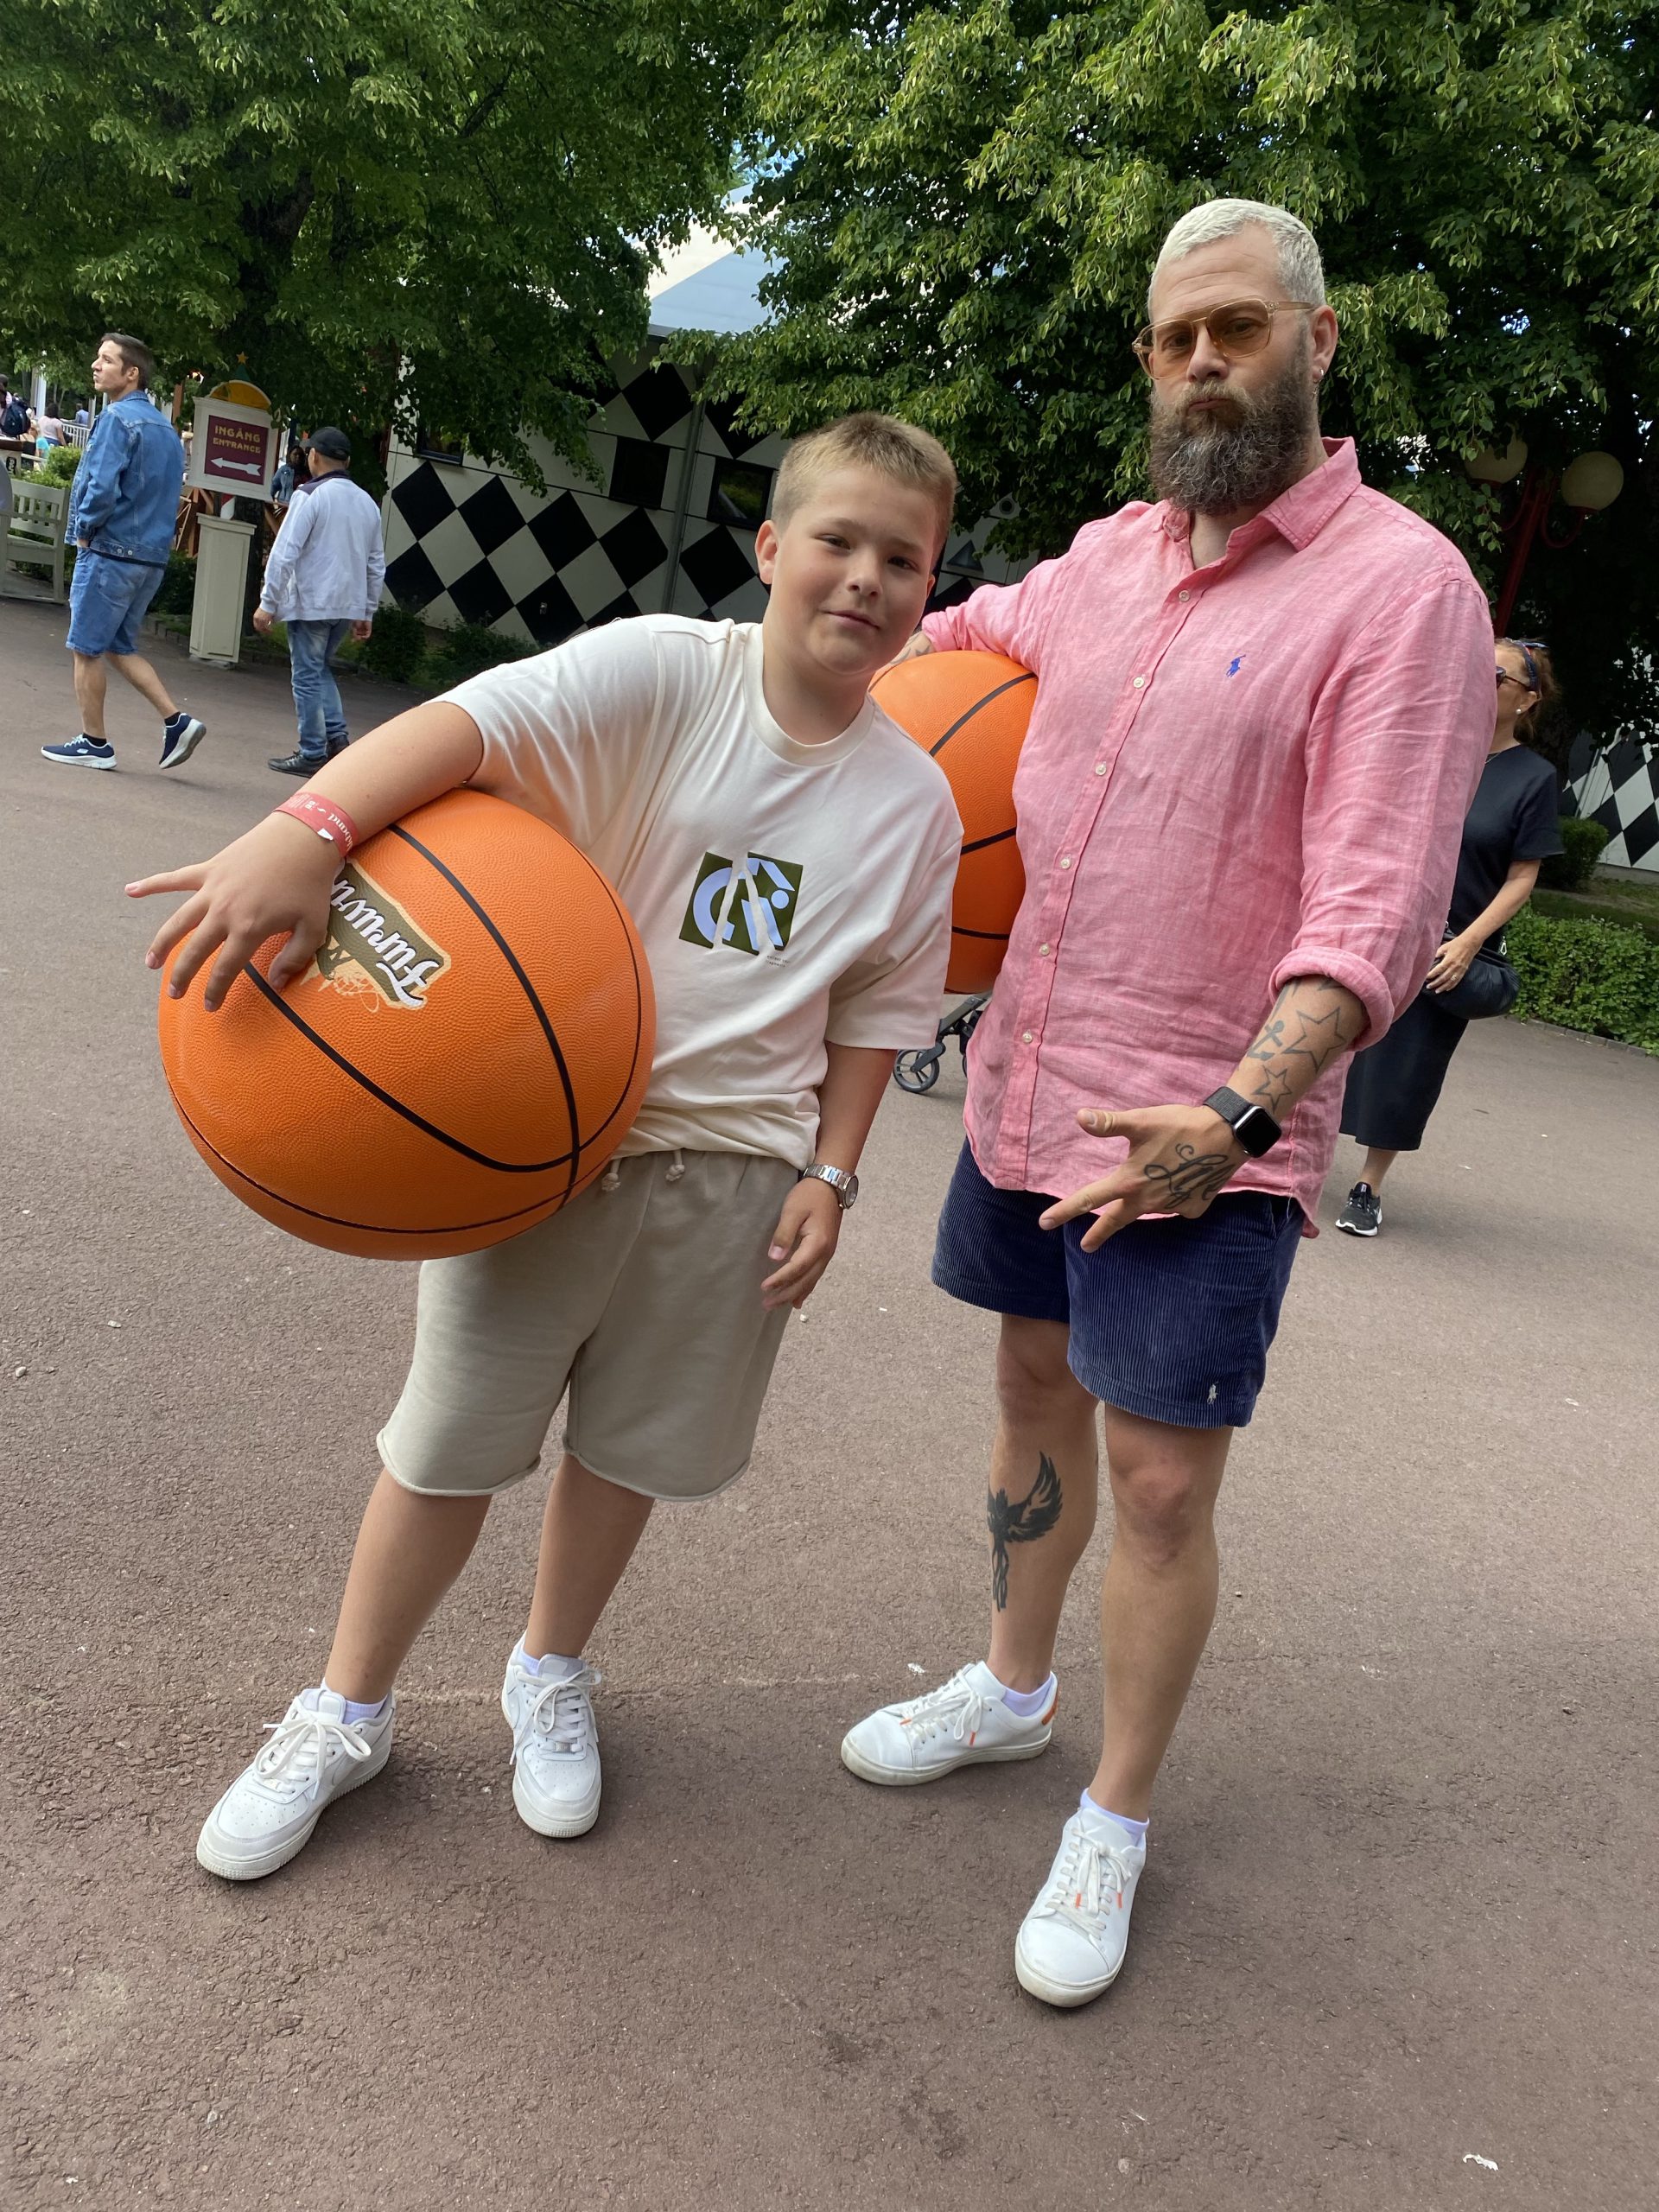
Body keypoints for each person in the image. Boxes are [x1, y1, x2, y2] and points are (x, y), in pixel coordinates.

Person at [127, 411, 963, 1884]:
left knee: (625, 1454)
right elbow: (469, 730)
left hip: (737, 1177)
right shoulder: (666, 669)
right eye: (837, 541)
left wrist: (832, 1175)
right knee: (446, 1449)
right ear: (772, 546)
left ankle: (549, 1668)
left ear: (930, 585)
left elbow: (876, 1013)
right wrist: (308, 831)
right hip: (549, 1147)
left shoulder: (917, 802)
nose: (865, 578)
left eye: (902, 559)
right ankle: (346, 1711)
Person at [837, 199, 1496, 2009]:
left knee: (1159, 1484)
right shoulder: (1101, 562)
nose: (1203, 361)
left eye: (1238, 328)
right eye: (1173, 335)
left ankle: (1114, 1809)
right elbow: (937, 646)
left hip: (1205, 1132)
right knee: (1027, 1389)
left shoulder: (1405, 591)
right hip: (1027, 1083)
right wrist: (793, 658)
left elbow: (1378, 903)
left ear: (1318, 340)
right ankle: (1011, 1685)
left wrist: (1241, 1112)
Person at [1334, 639, 1564, 1236]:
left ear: (1527, 699)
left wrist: (1467, 943)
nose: (1480, 680)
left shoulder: (1533, 778)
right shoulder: (1430, 748)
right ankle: (1275, 1156)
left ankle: (1368, 1185)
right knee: (1325, 1037)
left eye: (1497, 675)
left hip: (1447, 944)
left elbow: (1523, 877)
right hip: (1382, 922)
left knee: (1407, 1067)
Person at [40, 333, 206, 772]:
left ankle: (95, 743)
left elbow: (100, 487)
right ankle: (177, 721)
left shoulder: (116, 419)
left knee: (85, 648)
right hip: (149, 558)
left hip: (110, 552)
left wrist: (84, 533)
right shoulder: (166, 431)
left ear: (131, 373)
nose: (96, 365)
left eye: (106, 360)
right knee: (118, 645)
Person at [253, 426, 387, 775]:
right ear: (347, 462)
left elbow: (285, 552)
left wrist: (269, 602)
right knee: (319, 669)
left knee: (306, 676)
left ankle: (312, 751)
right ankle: (337, 740)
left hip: (312, 601)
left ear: (313, 456)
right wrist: (367, 610)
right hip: (348, 604)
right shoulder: (367, 503)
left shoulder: (309, 496)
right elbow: (376, 563)